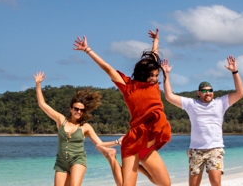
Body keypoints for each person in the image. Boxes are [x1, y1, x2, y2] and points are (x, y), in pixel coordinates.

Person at [72, 29, 172, 186]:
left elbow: (152, 57)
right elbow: (108, 68)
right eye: (151, 75)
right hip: (133, 141)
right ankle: (112, 158)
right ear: (142, 74)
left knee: (165, 184)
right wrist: (87, 50)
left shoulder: (154, 85)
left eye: (156, 75)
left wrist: (156, 41)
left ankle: (135, 167)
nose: (154, 79)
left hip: (148, 139)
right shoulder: (128, 86)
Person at [161, 56, 243, 186]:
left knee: (215, 182)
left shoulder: (220, 103)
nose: (208, 93)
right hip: (196, 149)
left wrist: (234, 72)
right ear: (199, 93)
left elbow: (240, 93)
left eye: (210, 91)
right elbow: (169, 96)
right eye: (205, 91)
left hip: (215, 148)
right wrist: (165, 74)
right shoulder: (191, 104)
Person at [34, 72, 124, 186]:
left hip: (78, 160)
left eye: (82, 110)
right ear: (71, 109)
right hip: (61, 162)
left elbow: (100, 144)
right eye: (76, 109)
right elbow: (42, 104)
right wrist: (38, 84)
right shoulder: (61, 120)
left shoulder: (86, 127)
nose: (79, 112)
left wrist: (117, 142)